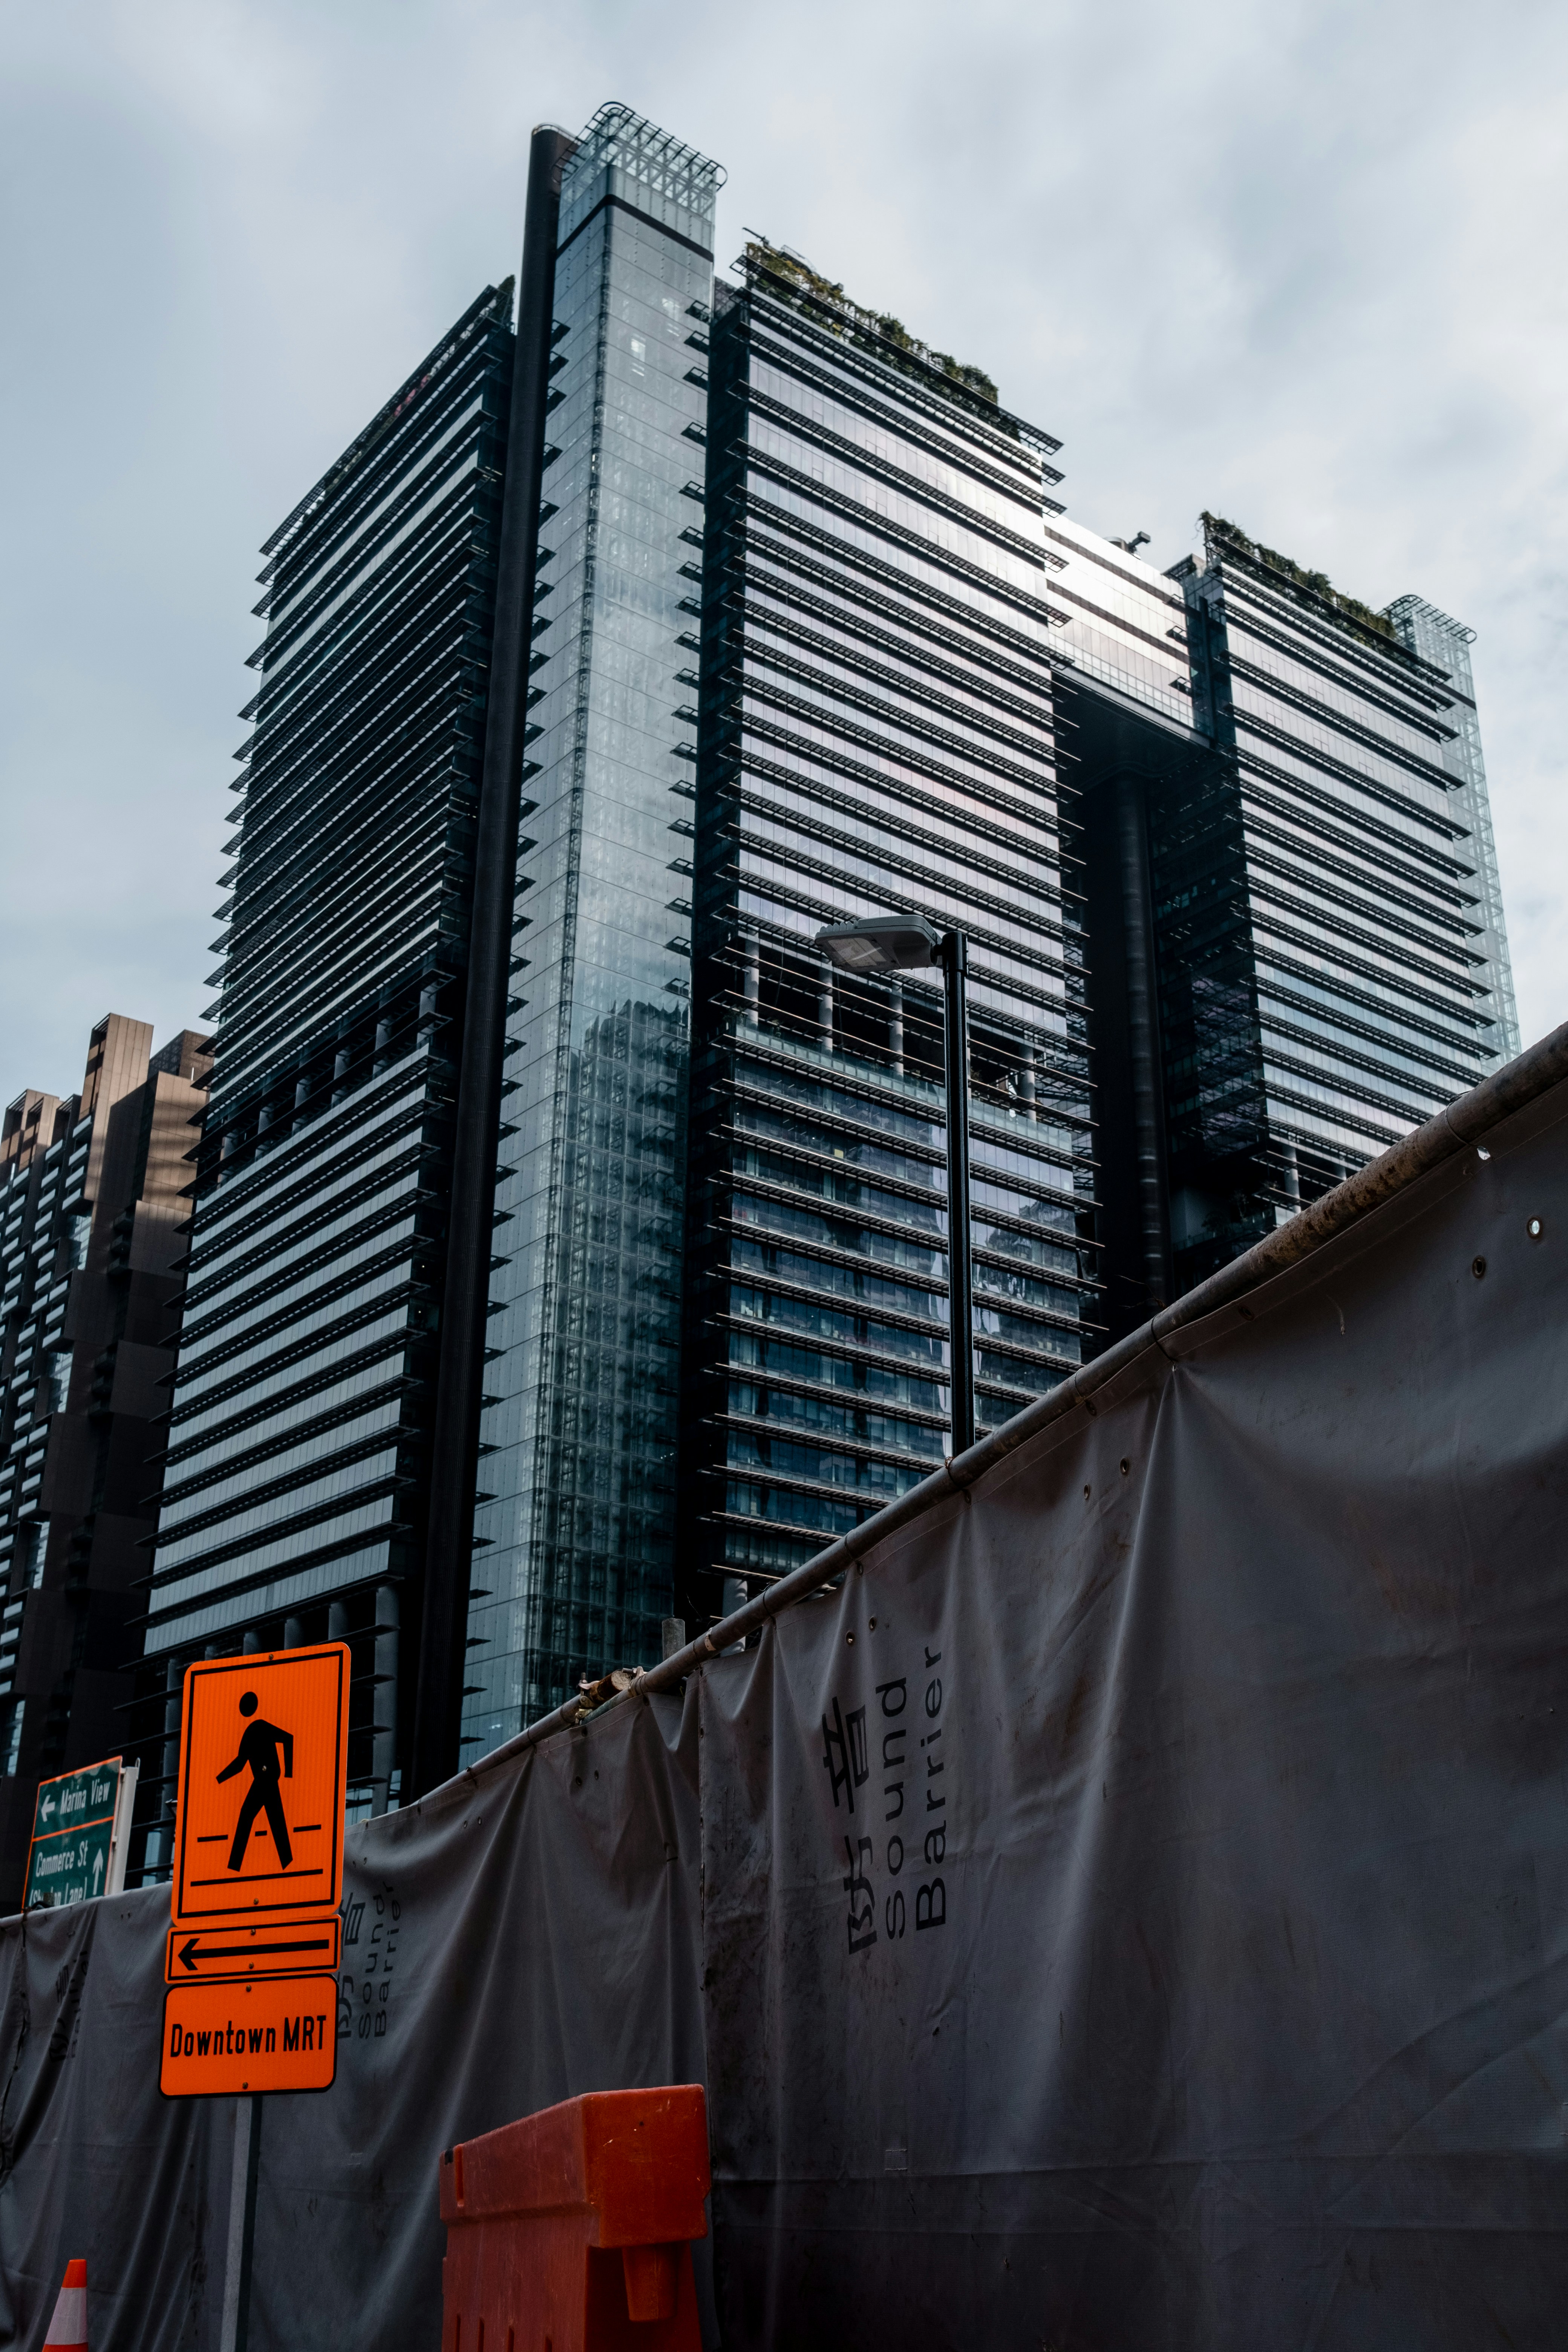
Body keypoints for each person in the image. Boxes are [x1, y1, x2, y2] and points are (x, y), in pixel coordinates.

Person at [216, 1691, 294, 1871]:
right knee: (273, 1821)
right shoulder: (250, 1733)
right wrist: (219, 1779)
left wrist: (289, 1774)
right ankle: (287, 1863)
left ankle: (234, 1866)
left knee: (254, 1817)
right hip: (262, 1780)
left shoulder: (259, 1727)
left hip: (267, 1779)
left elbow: (288, 1738)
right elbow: (240, 1764)